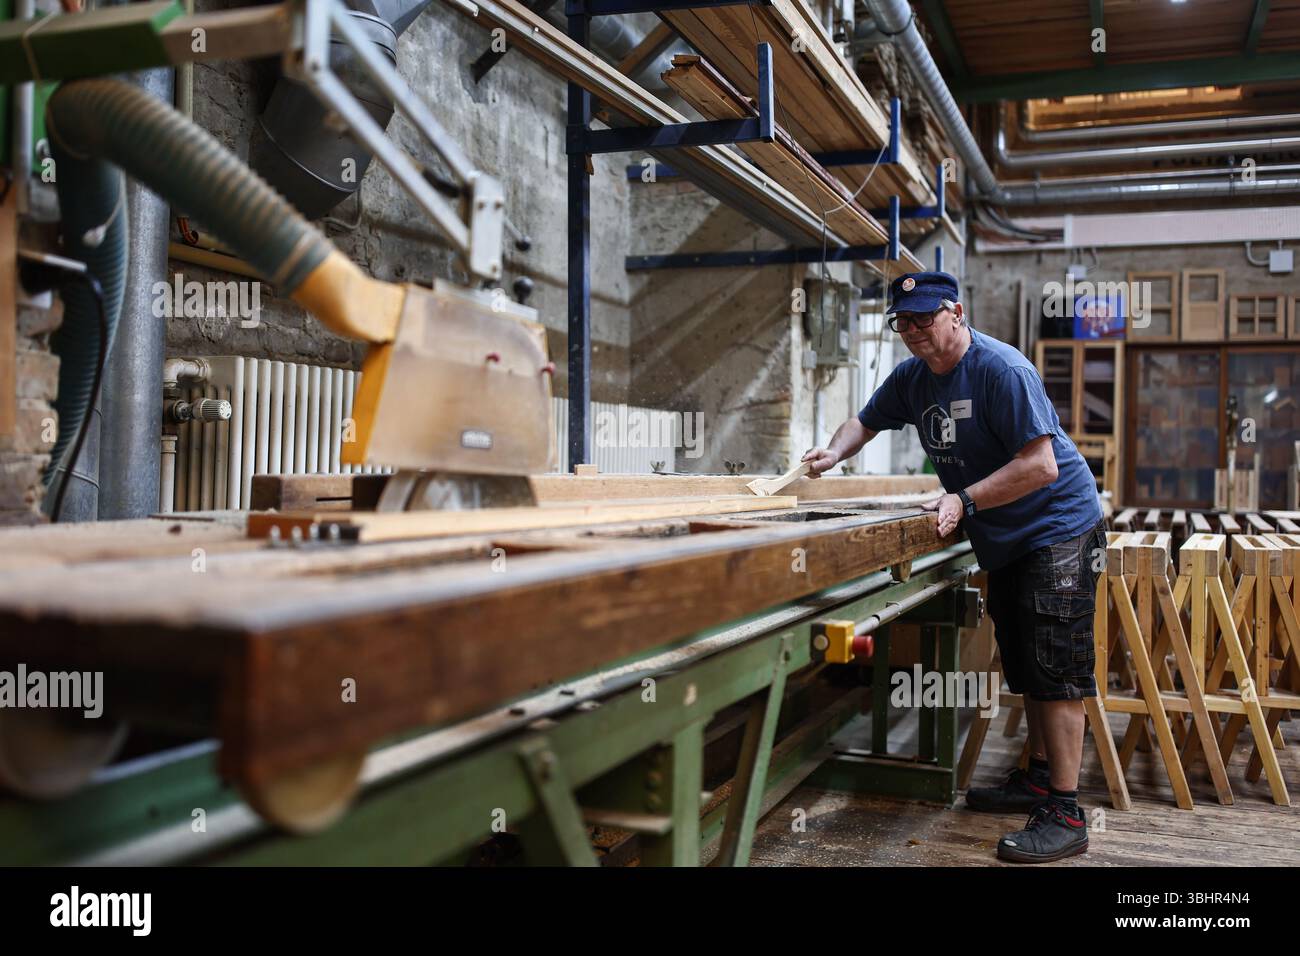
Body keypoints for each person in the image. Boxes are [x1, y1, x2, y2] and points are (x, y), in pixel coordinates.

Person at [803, 271, 1105, 863]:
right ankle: (1040, 780)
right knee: (1026, 660)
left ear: (956, 312)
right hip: (1010, 536)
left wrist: (962, 500)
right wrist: (834, 452)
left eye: (923, 318)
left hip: (1058, 526)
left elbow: (1041, 466)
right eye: (903, 322)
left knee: (1056, 667)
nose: (913, 330)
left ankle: (1066, 812)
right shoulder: (913, 378)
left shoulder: (1002, 370)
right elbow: (865, 420)